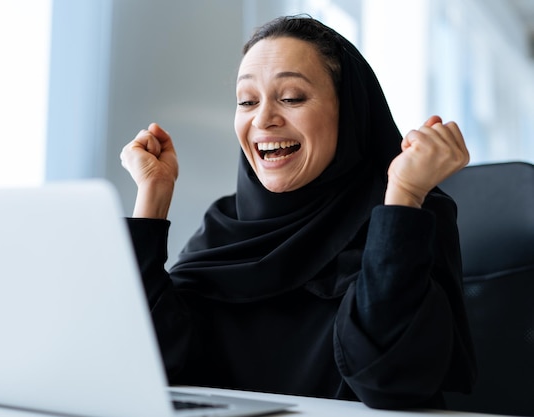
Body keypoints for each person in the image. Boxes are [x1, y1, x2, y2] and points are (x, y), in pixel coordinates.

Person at [120, 15, 476, 410]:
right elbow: (137, 367)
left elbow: (389, 381)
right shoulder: (225, 227)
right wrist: (152, 198)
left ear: (350, 111)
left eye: (291, 98)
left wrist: (406, 195)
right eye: (247, 101)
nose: (262, 119)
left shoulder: (406, 217)